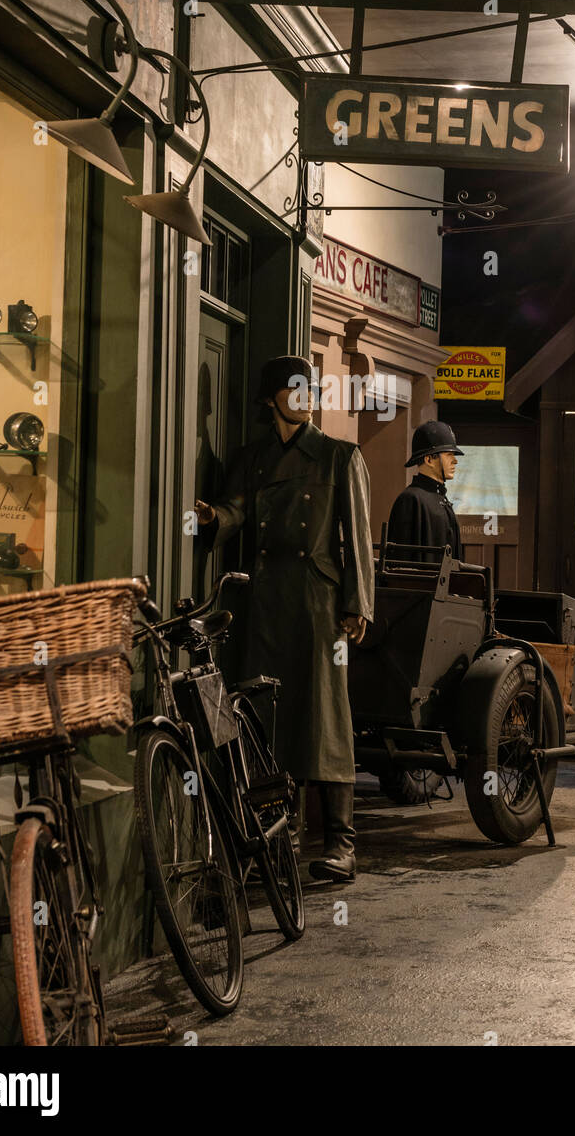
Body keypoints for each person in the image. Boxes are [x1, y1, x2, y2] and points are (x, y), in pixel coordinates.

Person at [195, 355, 374, 884]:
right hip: (265, 599)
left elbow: (357, 539)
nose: (307, 395)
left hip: (319, 601)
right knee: (266, 720)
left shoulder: (340, 455)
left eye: (311, 387)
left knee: (326, 715)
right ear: (272, 397)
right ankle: (280, 839)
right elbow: (238, 510)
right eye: (295, 388)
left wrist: (358, 603)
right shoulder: (253, 459)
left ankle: (342, 843)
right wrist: (212, 517)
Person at [387, 420, 463, 561]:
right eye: (448, 454)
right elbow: (400, 561)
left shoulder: (441, 499)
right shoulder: (410, 499)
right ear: (429, 460)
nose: (455, 461)